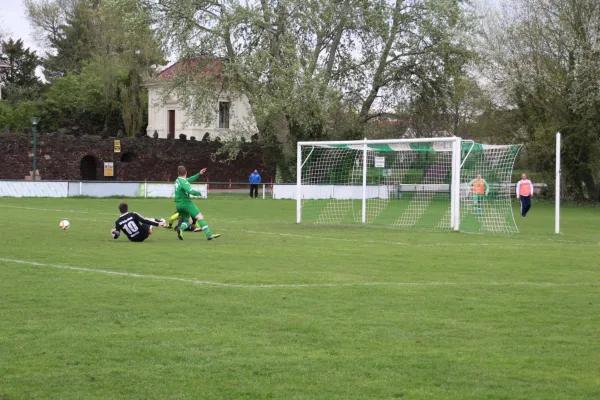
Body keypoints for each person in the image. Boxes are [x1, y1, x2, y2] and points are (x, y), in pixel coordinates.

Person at [174, 165, 220, 241]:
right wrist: (198, 193)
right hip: (186, 203)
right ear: (186, 172)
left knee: (189, 221)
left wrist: (199, 173)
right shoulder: (184, 182)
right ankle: (209, 235)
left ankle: (180, 229)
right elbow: (190, 190)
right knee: (200, 217)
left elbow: (190, 179)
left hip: (178, 205)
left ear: (178, 173)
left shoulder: (177, 180)